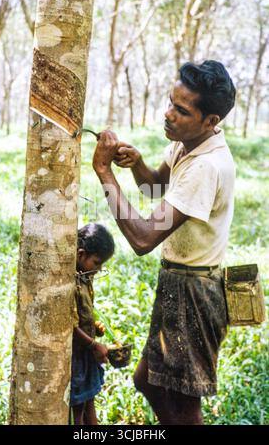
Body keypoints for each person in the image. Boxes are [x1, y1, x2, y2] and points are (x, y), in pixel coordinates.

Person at [92, 60, 236, 425]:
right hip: (177, 281)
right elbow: (155, 186)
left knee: (185, 403)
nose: (168, 114)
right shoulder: (187, 144)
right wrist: (137, 164)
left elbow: (143, 239)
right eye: (170, 102)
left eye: (181, 110)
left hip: (196, 292)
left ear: (211, 120)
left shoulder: (207, 166)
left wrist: (105, 172)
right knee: (149, 381)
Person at [70, 223, 115, 425]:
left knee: (90, 401)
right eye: (97, 263)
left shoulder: (85, 278)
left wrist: (93, 327)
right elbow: (69, 326)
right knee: (78, 408)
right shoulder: (69, 282)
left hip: (87, 353)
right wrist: (93, 344)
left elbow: (83, 314)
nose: (99, 269)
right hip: (77, 355)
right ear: (80, 255)